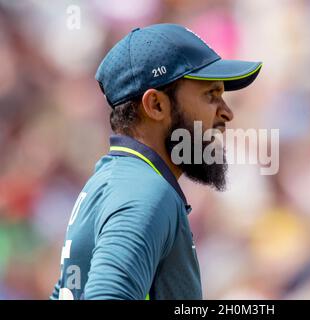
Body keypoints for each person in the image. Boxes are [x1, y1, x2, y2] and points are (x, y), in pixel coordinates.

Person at [50, 23, 262, 300]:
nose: (227, 113)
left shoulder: (112, 180)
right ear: (156, 106)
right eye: (211, 95)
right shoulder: (146, 193)